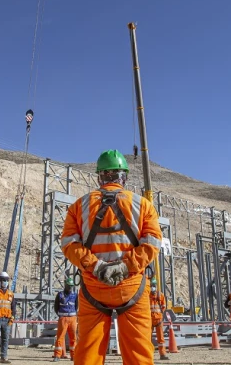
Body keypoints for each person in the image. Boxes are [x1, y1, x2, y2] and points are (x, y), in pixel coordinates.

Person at [61, 149, 162, 365]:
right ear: (123, 176)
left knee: (88, 353)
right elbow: (152, 243)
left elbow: (69, 244)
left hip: (93, 289)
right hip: (132, 287)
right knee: (139, 354)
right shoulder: (143, 205)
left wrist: (96, 266)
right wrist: (125, 267)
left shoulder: (78, 206)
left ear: (100, 176)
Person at [52, 277, 78, 362]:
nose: (70, 287)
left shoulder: (75, 295)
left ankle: (74, 355)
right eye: (69, 285)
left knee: (73, 338)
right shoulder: (60, 295)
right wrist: (60, 315)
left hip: (73, 319)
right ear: (65, 285)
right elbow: (56, 307)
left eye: (71, 286)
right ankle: (57, 355)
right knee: (60, 337)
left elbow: (77, 306)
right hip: (63, 319)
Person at [149, 277, 169, 361]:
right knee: (147, 338)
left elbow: (163, 306)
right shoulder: (146, 295)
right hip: (149, 319)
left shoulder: (159, 295)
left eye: (154, 285)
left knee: (161, 338)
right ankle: (148, 355)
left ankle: (163, 354)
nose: (153, 287)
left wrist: (160, 314)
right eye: (151, 285)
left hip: (158, 319)